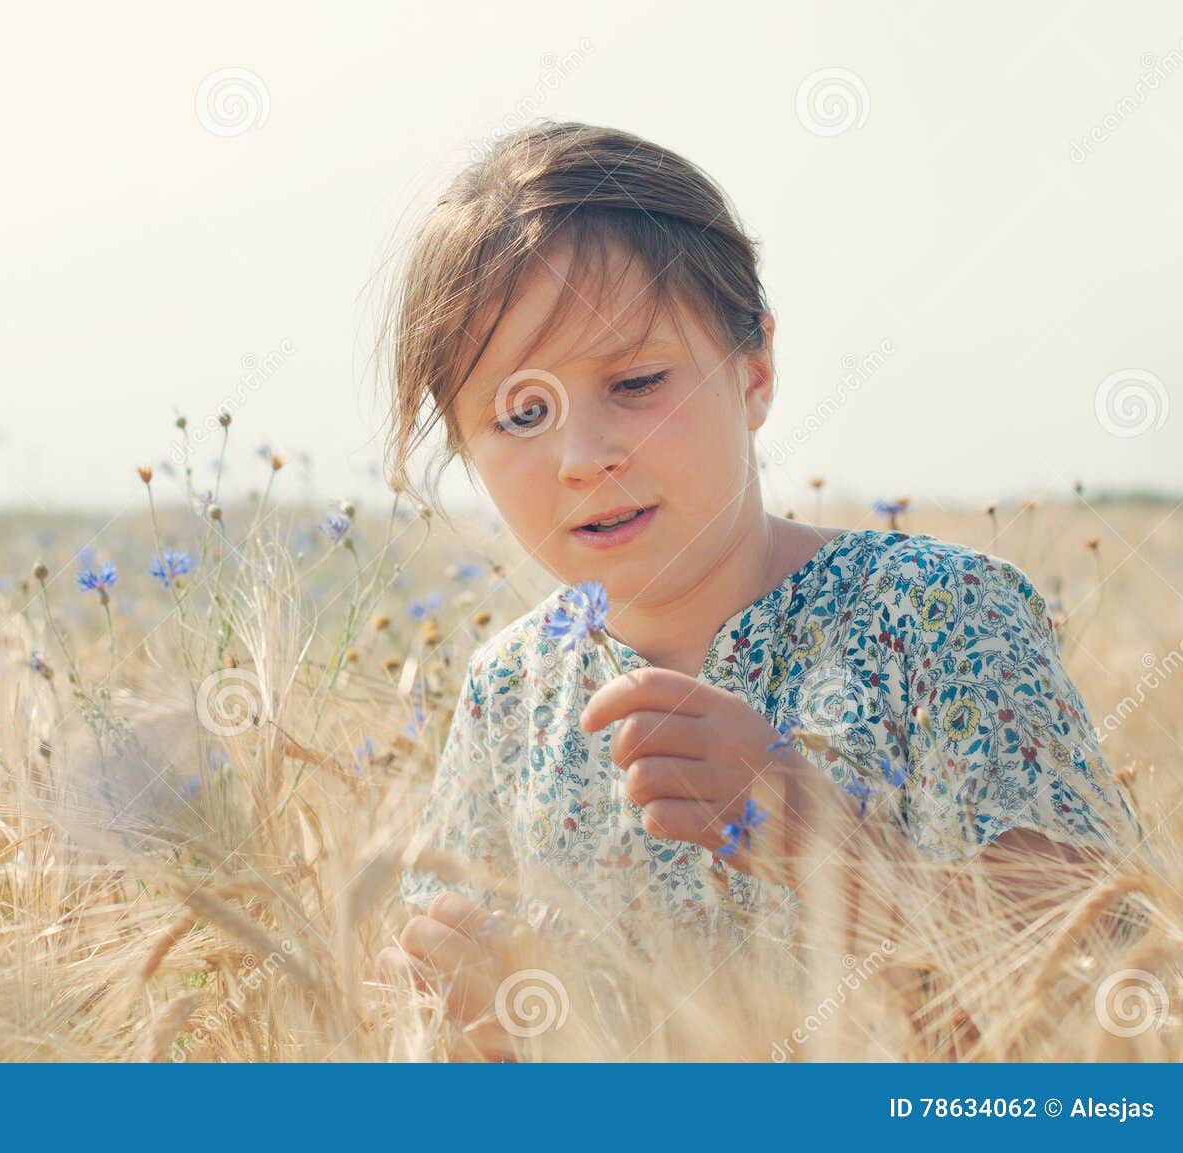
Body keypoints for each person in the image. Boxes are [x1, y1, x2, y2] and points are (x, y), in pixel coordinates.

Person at [370, 120, 1144, 1057]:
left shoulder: (938, 618)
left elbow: (1102, 983)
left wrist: (830, 853)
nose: (583, 458)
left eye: (639, 380)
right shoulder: (509, 695)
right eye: (521, 413)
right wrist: (477, 1022)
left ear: (755, 370)